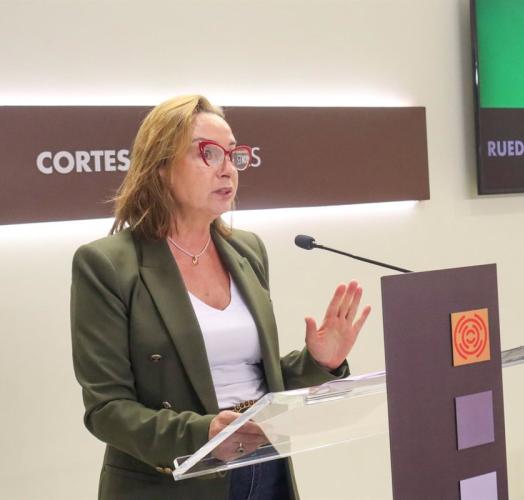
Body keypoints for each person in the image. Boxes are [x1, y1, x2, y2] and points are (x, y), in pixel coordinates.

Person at [70, 95, 371, 500]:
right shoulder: (107, 264)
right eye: (208, 153)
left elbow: (261, 384)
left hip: (266, 467)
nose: (228, 168)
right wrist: (204, 434)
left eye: (233, 154)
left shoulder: (247, 250)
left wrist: (318, 363)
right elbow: (106, 409)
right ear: (160, 166)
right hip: (175, 483)